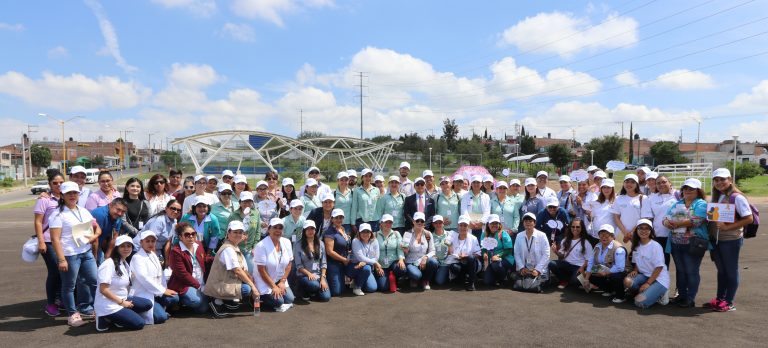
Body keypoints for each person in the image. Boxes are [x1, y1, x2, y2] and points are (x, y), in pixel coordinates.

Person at [49, 181, 102, 326]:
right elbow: (55, 239)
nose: (72, 195)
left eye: (75, 192)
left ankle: (99, 309)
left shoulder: (83, 211)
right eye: (68, 193)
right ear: (62, 195)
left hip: (86, 252)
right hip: (70, 254)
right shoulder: (57, 214)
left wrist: (94, 236)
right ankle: (72, 314)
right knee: (69, 286)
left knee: (95, 281)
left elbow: (97, 228)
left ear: (79, 194)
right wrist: (61, 259)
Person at [708, 168, 754, 312]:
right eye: (716, 180)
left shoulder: (737, 197)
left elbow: (749, 219)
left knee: (730, 270)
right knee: (721, 270)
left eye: (723, 179)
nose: (719, 182)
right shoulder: (718, 196)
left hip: (730, 239)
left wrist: (728, 228)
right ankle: (720, 298)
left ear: (730, 180)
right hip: (717, 239)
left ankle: (729, 301)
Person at [663, 178, 709, 308]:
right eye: (686, 188)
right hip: (676, 243)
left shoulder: (701, 204)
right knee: (680, 270)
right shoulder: (677, 203)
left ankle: (690, 298)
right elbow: (666, 218)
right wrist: (667, 222)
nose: (688, 191)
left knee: (691, 270)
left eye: (691, 189)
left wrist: (675, 223)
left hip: (693, 243)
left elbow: (697, 221)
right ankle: (681, 296)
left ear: (698, 191)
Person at [94, 235, 153, 331]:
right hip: (108, 304)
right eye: (122, 246)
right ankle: (103, 317)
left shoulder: (124, 263)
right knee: (139, 323)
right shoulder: (108, 264)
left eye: (129, 246)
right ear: (116, 248)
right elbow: (103, 290)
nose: (126, 249)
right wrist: (122, 303)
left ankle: (119, 318)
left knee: (147, 304)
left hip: (122, 298)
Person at [205, 221, 259, 318]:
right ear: (228, 233)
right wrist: (253, 287)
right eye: (235, 232)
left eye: (240, 232)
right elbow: (237, 270)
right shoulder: (228, 249)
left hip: (227, 280)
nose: (238, 235)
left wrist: (251, 279)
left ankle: (227, 300)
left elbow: (243, 269)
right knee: (247, 289)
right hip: (219, 284)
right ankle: (217, 301)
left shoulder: (234, 246)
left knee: (249, 284)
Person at [33, 171, 65, 316]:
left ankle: (60, 299)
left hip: (64, 240)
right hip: (48, 240)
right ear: (50, 184)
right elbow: (38, 222)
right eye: (55, 183)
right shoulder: (44, 200)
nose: (58, 185)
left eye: (61, 182)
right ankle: (51, 304)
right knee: (54, 271)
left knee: (64, 272)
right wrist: (41, 241)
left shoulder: (67, 198)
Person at [129, 231, 178, 324]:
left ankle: (158, 306)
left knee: (174, 298)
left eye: (153, 241)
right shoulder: (137, 258)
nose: (150, 243)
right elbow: (144, 278)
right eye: (147, 241)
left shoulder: (153, 254)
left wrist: (164, 289)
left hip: (156, 292)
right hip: (144, 294)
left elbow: (161, 275)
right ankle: (139, 311)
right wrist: (163, 291)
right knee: (161, 317)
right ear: (141, 242)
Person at [619, 219, 670, 307]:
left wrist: (648, 283)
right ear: (637, 230)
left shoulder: (655, 246)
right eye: (641, 228)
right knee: (627, 281)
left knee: (639, 302)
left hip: (659, 279)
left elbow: (659, 268)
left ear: (651, 231)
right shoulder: (636, 244)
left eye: (647, 228)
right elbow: (636, 260)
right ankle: (647, 292)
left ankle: (661, 293)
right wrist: (635, 269)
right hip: (645, 275)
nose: (644, 231)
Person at [254, 218, 295, 312]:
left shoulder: (287, 242)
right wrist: (274, 287)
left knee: (290, 299)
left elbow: (289, 263)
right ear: (269, 229)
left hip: (279, 279)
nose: (277, 230)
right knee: (279, 302)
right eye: (275, 227)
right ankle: (258, 298)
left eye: (280, 228)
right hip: (264, 281)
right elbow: (261, 270)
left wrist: (282, 281)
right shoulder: (261, 246)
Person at [167, 222, 209, 314]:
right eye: (187, 234)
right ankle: (179, 300)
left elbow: (205, 259)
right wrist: (199, 287)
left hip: (201, 282)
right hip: (184, 284)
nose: (191, 237)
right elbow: (182, 274)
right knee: (196, 301)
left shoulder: (199, 245)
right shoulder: (176, 251)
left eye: (193, 234)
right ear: (180, 237)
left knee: (203, 309)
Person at [583, 224, 628, 302]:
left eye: (607, 235)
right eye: (601, 234)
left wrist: (606, 273)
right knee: (588, 273)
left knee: (616, 277)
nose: (604, 237)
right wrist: (586, 279)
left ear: (612, 236)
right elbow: (590, 261)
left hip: (621, 271)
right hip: (604, 269)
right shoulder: (597, 246)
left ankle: (620, 296)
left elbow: (620, 267)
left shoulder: (618, 248)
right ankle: (609, 290)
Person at [640, 175, 677, 267]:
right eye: (658, 183)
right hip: (659, 236)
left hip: (678, 235)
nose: (661, 184)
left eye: (664, 182)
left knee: (681, 265)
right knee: (663, 265)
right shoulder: (651, 198)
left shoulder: (679, 195)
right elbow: (647, 218)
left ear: (670, 183)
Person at [549, 218, 591, 289]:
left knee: (574, 282)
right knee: (551, 264)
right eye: (573, 226)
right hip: (567, 265)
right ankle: (564, 280)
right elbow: (562, 256)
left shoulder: (586, 242)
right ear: (570, 227)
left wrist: (582, 267)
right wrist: (555, 251)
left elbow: (589, 259)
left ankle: (572, 279)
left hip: (578, 267)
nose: (575, 229)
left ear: (582, 228)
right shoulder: (565, 240)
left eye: (577, 227)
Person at [293, 220, 331, 302]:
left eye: (312, 229)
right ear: (304, 231)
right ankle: (305, 290)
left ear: (315, 230)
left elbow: (323, 263)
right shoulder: (298, 244)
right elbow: (298, 266)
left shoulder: (321, 243)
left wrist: (323, 278)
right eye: (308, 229)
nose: (310, 231)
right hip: (304, 275)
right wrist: (309, 274)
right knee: (314, 285)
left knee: (326, 297)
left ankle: (314, 292)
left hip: (318, 275)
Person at [512, 213, 550, 291]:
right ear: (523, 223)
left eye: (530, 221)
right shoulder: (519, 236)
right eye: (526, 221)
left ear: (535, 223)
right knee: (519, 285)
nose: (528, 223)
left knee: (537, 286)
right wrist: (522, 268)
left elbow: (546, 254)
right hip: (525, 270)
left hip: (538, 270)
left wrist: (538, 269)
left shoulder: (542, 235)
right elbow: (517, 253)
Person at [402, 212, 438, 290]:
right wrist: (405, 250)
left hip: (423, 261)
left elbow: (433, 251)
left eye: (422, 221)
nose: (419, 222)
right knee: (417, 275)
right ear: (413, 222)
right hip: (411, 262)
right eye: (417, 220)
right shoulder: (407, 234)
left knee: (433, 262)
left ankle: (425, 280)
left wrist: (425, 257)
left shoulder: (428, 234)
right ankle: (414, 278)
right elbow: (404, 252)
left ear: (424, 223)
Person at [138, 200, 181, 264]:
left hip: (156, 250)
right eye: (173, 208)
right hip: (141, 249)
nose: (176, 211)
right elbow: (150, 241)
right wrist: (155, 261)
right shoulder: (159, 220)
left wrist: (167, 262)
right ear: (166, 209)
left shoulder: (174, 221)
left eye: (178, 210)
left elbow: (168, 242)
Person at [445, 215, 481, 290]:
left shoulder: (473, 238)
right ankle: (463, 277)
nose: (463, 228)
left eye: (465, 225)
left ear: (468, 227)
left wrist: (466, 256)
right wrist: (449, 247)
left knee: (471, 258)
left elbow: (478, 254)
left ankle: (471, 283)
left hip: (472, 264)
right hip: (460, 263)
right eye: (461, 225)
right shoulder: (453, 236)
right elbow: (450, 253)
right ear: (458, 226)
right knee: (453, 267)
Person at [229, 191, 261, 272]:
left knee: (250, 273)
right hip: (237, 249)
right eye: (244, 201)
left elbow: (258, 231)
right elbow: (228, 233)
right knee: (238, 273)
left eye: (249, 201)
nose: (247, 204)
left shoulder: (256, 213)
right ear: (240, 202)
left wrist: (255, 246)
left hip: (249, 250)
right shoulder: (233, 215)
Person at [374, 214, 407, 292]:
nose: (388, 224)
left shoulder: (396, 234)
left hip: (393, 262)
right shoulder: (375, 235)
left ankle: (394, 277)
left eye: (390, 222)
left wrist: (401, 259)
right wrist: (376, 265)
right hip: (381, 264)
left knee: (402, 269)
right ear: (381, 223)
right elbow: (372, 252)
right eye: (386, 222)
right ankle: (388, 277)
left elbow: (400, 248)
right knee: (383, 288)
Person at [323, 208, 352, 297]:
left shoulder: (343, 229)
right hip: (333, 263)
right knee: (337, 292)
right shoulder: (329, 232)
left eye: (341, 217)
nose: (339, 220)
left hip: (344, 262)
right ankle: (325, 280)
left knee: (342, 290)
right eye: (336, 218)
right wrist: (344, 260)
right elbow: (329, 252)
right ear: (332, 219)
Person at [480, 214, 514, 286]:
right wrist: (484, 254)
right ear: (488, 224)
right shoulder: (484, 234)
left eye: (496, 223)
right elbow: (483, 248)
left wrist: (498, 256)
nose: (494, 225)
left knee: (496, 265)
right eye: (492, 223)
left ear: (499, 224)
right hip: (491, 261)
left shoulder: (503, 234)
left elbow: (509, 249)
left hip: (505, 259)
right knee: (487, 282)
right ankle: (496, 277)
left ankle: (504, 277)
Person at [612, 174, 645, 245]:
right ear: (623, 183)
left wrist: (632, 232)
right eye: (627, 182)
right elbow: (616, 217)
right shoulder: (618, 198)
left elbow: (644, 218)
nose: (629, 184)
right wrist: (625, 232)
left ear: (637, 184)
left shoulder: (643, 198)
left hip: (638, 234)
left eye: (632, 182)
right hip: (621, 234)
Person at [91, 198, 127, 263]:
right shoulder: (100, 215)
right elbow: (94, 239)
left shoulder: (117, 216)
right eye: (118, 209)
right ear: (110, 205)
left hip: (98, 246)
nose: (120, 213)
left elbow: (114, 237)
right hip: (87, 246)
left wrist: (107, 255)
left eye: (123, 211)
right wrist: (94, 258)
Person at [349, 223, 380, 295]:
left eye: (367, 231)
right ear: (359, 233)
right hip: (355, 266)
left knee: (372, 288)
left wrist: (365, 262)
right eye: (363, 231)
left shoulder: (375, 241)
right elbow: (360, 257)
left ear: (371, 232)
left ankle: (358, 280)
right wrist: (374, 262)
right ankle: (357, 287)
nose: (365, 234)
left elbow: (376, 257)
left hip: (366, 266)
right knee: (367, 268)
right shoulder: (355, 241)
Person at [585, 179, 616, 246]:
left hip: (609, 236)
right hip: (595, 235)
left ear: (612, 188)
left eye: (608, 187)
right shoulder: (596, 202)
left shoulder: (616, 202)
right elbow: (592, 217)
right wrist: (588, 214)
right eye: (604, 187)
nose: (606, 189)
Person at [460, 175, 491, 239]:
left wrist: (482, 222)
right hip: (469, 224)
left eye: (478, 182)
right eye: (474, 182)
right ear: (471, 184)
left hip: (481, 225)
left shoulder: (486, 196)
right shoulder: (465, 196)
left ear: (481, 184)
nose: (476, 184)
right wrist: (469, 221)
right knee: (470, 243)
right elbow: (463, 210)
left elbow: (487, 211)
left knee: (481, 243)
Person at [351, 168, 381, 232]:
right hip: (361, 221)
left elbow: (378, 207)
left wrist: (380, 220)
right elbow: (354, 207)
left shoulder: (376, 190)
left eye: (370, 176)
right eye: (366, 176)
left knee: (374, 241)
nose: (368, 178)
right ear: (362, 178)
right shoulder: (357, 191)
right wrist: (353, 223)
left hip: (374, 221)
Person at [430, 215, 452, 286]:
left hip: (445, 262)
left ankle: (446, 273)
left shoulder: (449, 234)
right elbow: (428, 249)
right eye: (436, 223)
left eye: (440, 222)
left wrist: (450, 248)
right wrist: (433, 255)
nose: (438, 224)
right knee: (431, 262)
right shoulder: (430, 236)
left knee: (439, 281)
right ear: (433, 224)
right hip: (435, 261)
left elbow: (452, 250)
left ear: (443, 223)